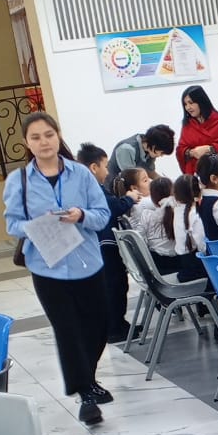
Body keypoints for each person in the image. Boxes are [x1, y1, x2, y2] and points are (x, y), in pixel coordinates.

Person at [3, 112, 114, 425]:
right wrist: (39, 225)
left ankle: (87, 378)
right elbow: (12, 224)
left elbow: (102, 214)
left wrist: (81, 215)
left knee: (98, 326)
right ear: (27, 142)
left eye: (49, 135)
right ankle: (86, 395)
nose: (44, 142)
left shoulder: (81, 174)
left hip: (87, 261)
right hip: (47, 266)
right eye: (36, 137)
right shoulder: (19, 180)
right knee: (67, 330)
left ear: (58, 135)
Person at [77, 143, 136, 347]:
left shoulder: (86, 186)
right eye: (105, 166)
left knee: (118, 285)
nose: (108, 171)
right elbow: (112, 207)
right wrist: (129, 199)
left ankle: (120, 324)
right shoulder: (90, 188)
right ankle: (114, 329)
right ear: (94, 167)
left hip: (101, 244)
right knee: (113, 286)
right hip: (103, 245)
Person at [173, 85, 218, 175]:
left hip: (216, 171)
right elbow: (180, 149)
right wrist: (192, 153)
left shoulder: (217, 119)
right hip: (195, 172)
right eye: (185, 104)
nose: (188, 107)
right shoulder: (188, 123)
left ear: (201, 101)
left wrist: (210, 149)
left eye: (191, 103)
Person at [131, 176, 182, 276]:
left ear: (152, 198)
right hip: (180, 263)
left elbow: (139, 239)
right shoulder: (180, 213)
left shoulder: (147, 215)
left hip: (158, 266)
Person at [169, 174, 208, 283]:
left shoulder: (177, 210)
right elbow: (202, 246)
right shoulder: (194, 214)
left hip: (183, 262)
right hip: (195, 267)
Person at [108, 124, 175, 179]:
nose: (161, 156)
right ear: (154, 146)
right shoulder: (126, 149)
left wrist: (166, 183)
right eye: (162, 153)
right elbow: (131, 179)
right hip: (111, 188)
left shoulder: (150, 150)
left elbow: (150, 172)